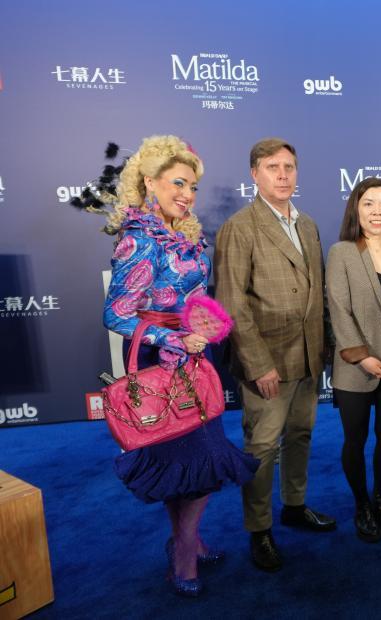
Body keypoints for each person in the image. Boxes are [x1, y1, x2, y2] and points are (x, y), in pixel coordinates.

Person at [100, 135, 259, 597]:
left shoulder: (182, 231)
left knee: (187, 464)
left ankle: (186, 541)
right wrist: (173, 338)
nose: (187, 194)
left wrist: (203, 323)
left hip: (193, 356)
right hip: (162, 363)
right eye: (177, 183)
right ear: (149, 182)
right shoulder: (139, 238)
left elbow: (185, 297)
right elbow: (116, 314)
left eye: (192, 186)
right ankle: (184, 552)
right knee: (194, 460)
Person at [214, 138, 334, 573]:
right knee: (263, 446)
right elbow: (231, 305)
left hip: (307, 356)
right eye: (272, 167)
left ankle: (294, 506)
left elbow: (318, 293)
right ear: (254, 174)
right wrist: (257, 364)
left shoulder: (308, 225)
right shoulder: (240, 227)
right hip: (266, 362)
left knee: (300, 434)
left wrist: (324, 348)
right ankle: (259, 528)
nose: (283, 175)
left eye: (289, 167)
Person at [326, 177, 381, 542]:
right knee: (355, 439)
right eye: (369, 204)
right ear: (356, 209)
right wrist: (361, 356)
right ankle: (361, 505)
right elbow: (338, 309)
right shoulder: (341, 252)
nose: (377, 212)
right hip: (355, 369)